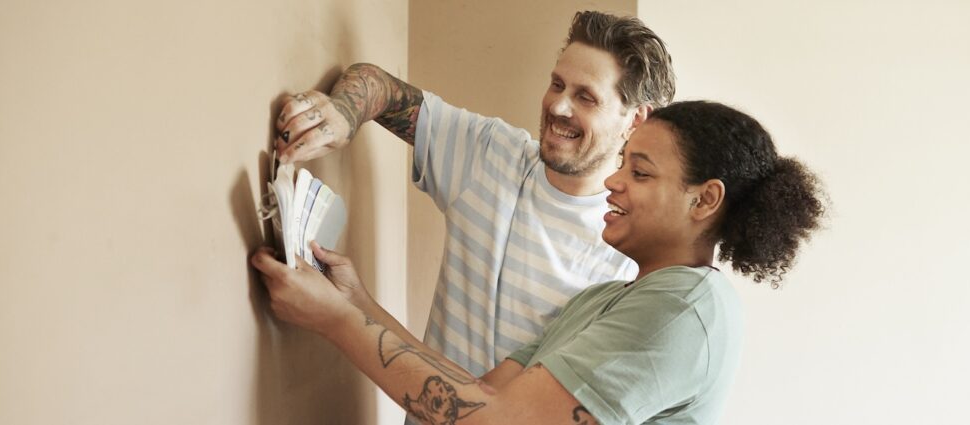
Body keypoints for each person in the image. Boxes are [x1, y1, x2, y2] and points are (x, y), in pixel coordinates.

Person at [252, 100, 827, 424]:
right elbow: (477, 393)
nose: (614, 182)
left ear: (704, 199)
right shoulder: (608, 300)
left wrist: (334, 321)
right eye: (624, 163)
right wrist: (356, 303)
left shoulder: (685, 309)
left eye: (641, 173)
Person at [272, 11, 676, 378]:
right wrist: (343, 112)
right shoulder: (490, 153)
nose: (559, 107)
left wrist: (344, 313)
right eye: (557, 84)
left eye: (585, 96)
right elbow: (378, 85)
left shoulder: (630, 253)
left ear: (635, 120)